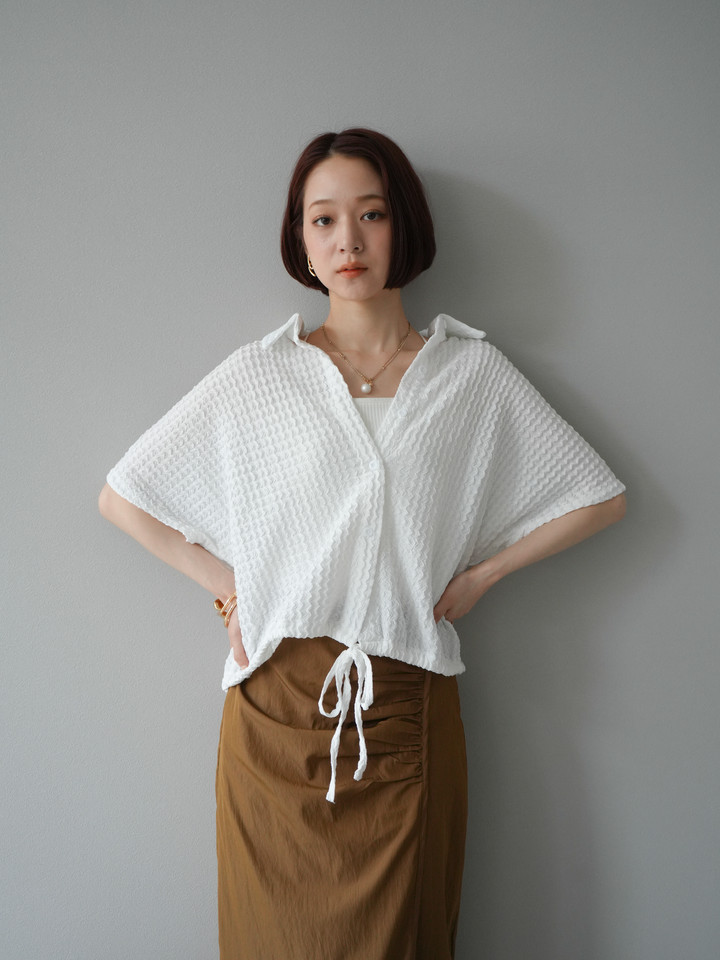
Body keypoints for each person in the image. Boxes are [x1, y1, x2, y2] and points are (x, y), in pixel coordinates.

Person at [98, 127, 626, 960]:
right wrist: (230, 588)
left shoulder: (469, 376)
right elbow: (125, 497)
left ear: (403, 224)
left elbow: (597, 497)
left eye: (371, 215)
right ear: (302, 240)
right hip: (275, 709)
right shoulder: (262, 375)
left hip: (406, 700)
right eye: (324, 220)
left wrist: (485, 575)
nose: (348, 241)